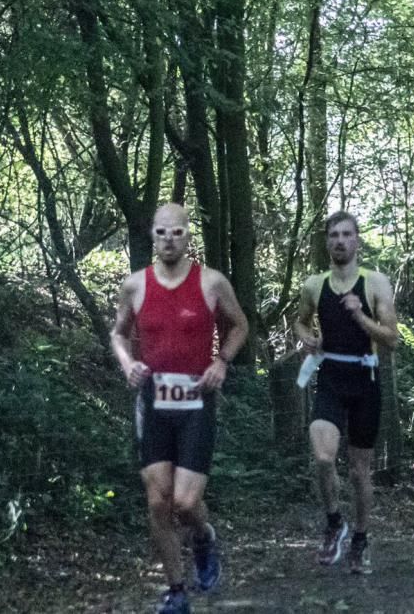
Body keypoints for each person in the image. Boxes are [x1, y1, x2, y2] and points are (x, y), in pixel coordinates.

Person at [110, 203, 249, 614]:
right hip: (153, 401)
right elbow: (118, 334)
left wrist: (221, 360)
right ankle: (176, 590)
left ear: (189, 237)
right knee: (158, 502)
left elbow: (241, 324)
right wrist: (128, 363)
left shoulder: (211, 283)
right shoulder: (135, 286)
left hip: (196, 402)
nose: (169, 240)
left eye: (177, 233)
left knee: (185, 504)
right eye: (161, 233)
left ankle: (203, 537)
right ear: (151, 236)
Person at [294, 211, 399, 574]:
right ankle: (334, 521)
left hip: (365, 381)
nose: (340, 241)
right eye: (333, 235)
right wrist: (305, 336)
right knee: (323, 456)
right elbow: (300, 319)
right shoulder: (314, 285)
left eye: (346, 235)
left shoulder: (376, 284)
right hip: (331, 378)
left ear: (357, 241)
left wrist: (360, 316)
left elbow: (392, 339)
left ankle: (360, 538)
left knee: (358, 471)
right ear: (327, 242)